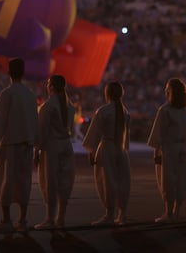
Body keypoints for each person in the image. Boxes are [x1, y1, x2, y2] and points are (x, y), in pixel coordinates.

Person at [0, 58, 39, 233]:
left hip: (9, 143)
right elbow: (34, 120)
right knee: (24, 180)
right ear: (23, 73)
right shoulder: (30, 95)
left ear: (8, 73)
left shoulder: (7, 94)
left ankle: (6, 219)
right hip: (26, 143)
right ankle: (22, 219)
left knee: (5, 180)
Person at [82, 81, 131, 225]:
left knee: (107, 181)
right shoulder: (125, 112)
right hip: (121, 149)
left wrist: (91, 151)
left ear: (107, 93)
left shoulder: (103, 111)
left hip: (107, 148)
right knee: (122, 181)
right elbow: (126, 136)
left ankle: (109, 214)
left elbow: (94, 134)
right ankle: (122, 214)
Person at [33, 75, 76, 229]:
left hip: (51, 148)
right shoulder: (70, 107)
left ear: (51, 86)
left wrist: (37, 151)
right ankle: (61, 218)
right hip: (66, 146)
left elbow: (41, 132)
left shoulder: (48, 106)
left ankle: (49, 219)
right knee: (64, 182)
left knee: (49, 183)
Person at [147, 78, 186, 223]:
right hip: (182, 148)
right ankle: (177, 211)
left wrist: (156, 152)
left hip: (169, 149)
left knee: (167, 179)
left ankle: (168, 212)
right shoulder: (184, 111)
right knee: (181, 178)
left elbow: (158, 134)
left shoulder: (164, 110)